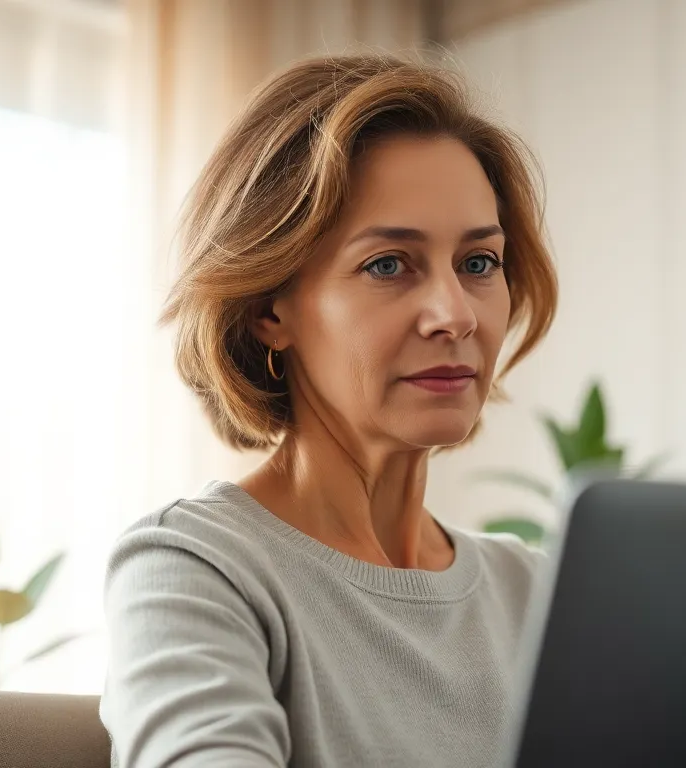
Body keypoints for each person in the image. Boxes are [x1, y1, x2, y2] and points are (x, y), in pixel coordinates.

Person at [100, 53, 559, 767]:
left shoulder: (537, 596)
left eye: (478, 264)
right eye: (389, 265)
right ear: (266, 311)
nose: (455, 315)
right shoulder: (195, 569)